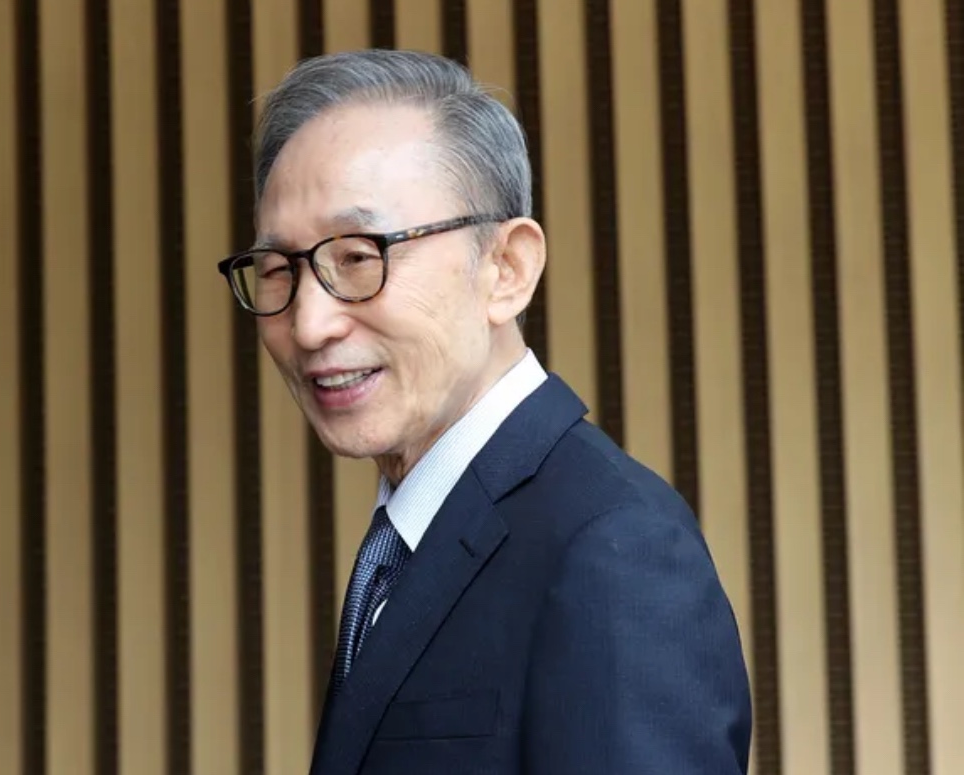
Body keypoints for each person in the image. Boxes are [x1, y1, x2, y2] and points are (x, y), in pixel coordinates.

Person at [217, 48, 752, 774]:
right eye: (280, 269)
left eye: (359, 256)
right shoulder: (413, 537)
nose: (309, 325)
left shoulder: (611, 548)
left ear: (507, 269)